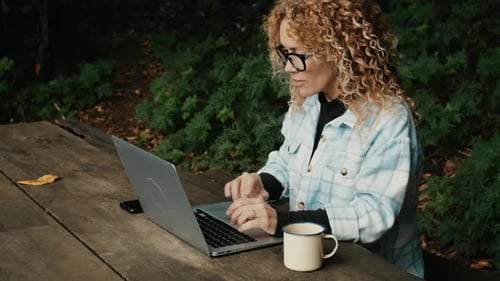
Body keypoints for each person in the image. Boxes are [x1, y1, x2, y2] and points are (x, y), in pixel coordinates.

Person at [224, 0, 424, 278]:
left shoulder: (389, 119)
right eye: (284, 53)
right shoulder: (307, 105)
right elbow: (287, 160)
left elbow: (373, 214)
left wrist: (283, 222)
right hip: (307, 265)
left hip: (374, 273)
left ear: (337, 50)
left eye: (297, 54)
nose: (288, 68)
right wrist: (264, 184)